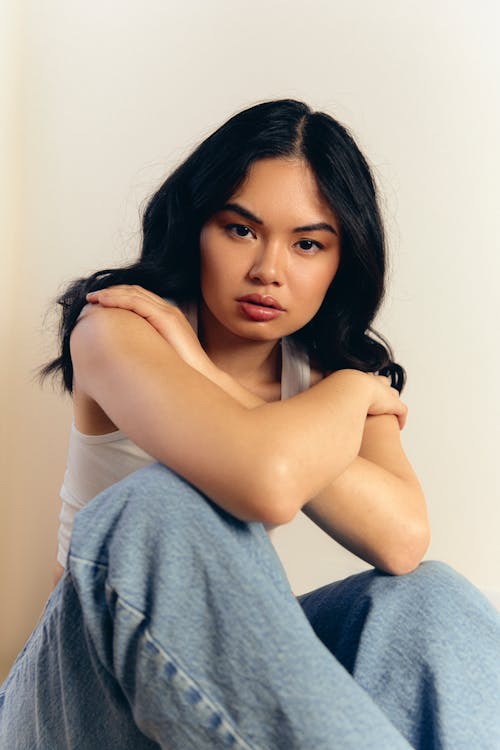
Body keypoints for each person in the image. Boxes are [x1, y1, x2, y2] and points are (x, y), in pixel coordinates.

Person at [1, 99, 499, 749]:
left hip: (204, 703)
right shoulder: (121, 326)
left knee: (430, 600)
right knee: (159, 505)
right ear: (197, 227)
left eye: (308, 244)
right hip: (78, 699)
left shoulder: (334, 379)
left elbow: (402, 538)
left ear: (340, 262)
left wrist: (308, 386)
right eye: (241, 230)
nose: (268, 270)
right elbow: (263, 480)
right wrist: (339, 402)